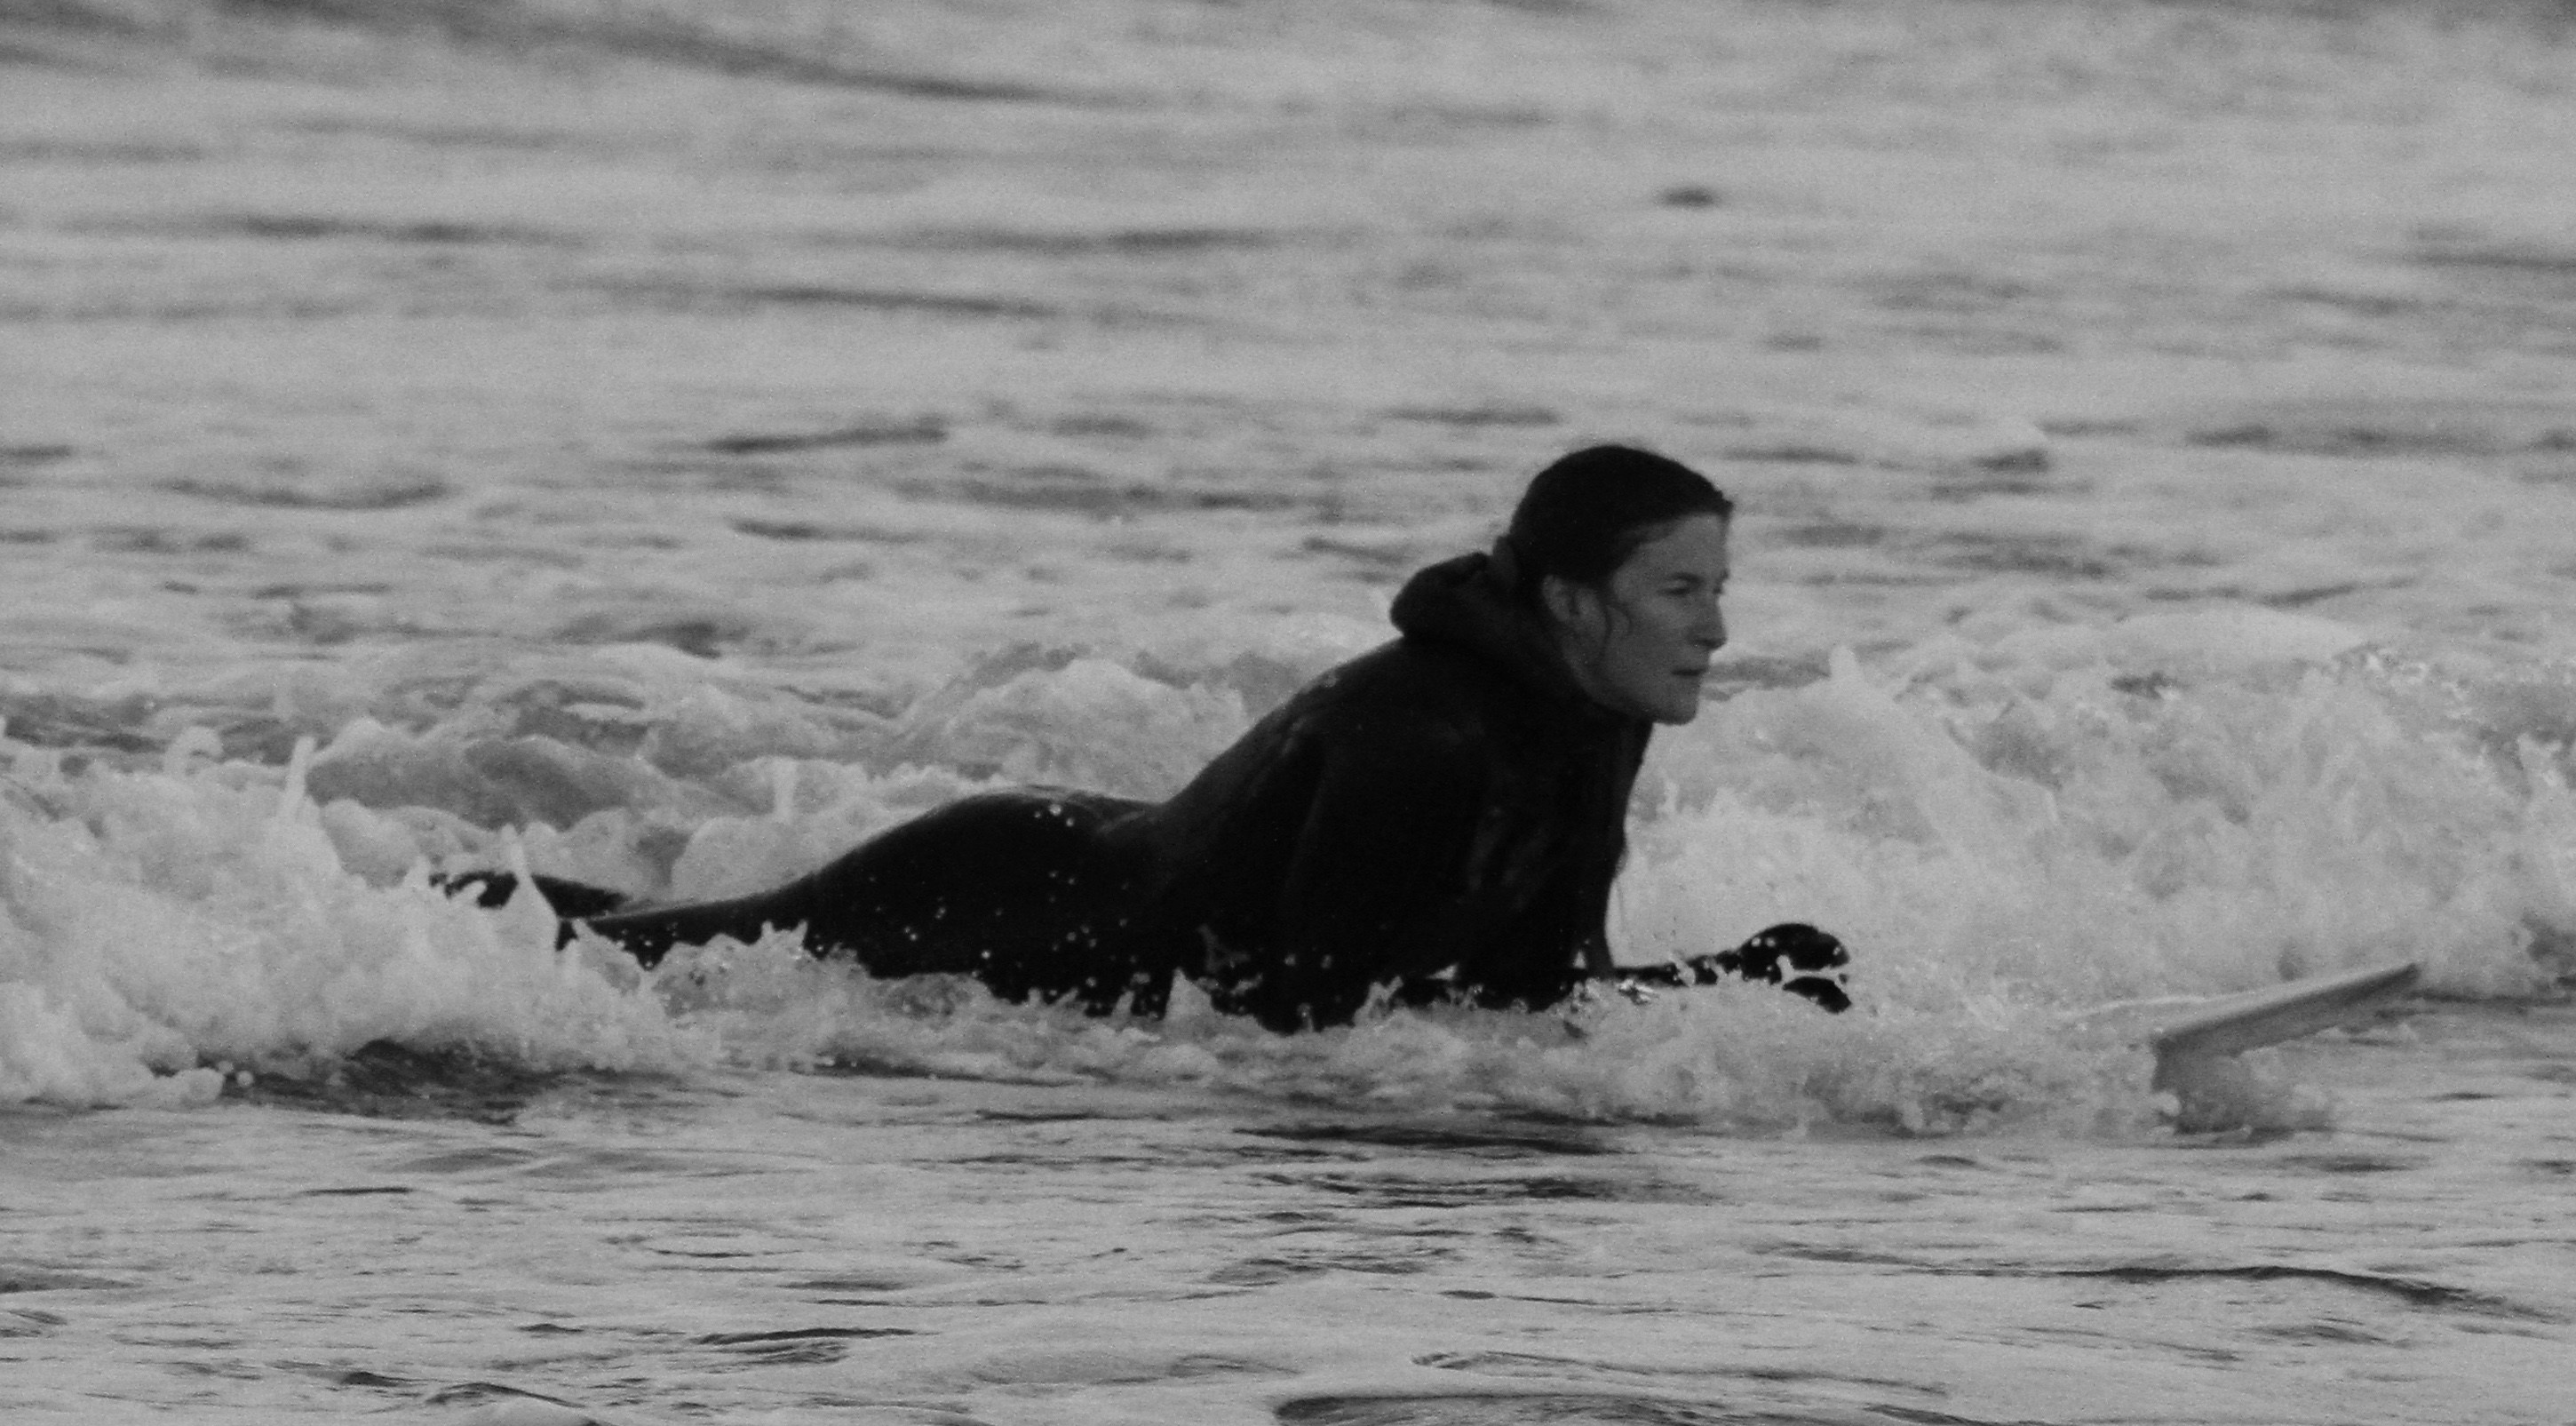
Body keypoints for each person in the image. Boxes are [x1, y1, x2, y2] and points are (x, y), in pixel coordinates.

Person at [461, 444, 1849, 1028]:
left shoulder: (1592, 715)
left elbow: (1534, 988)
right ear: (1570, 602)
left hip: (1090, 882)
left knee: (659, 941)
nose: (1717, 629)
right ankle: (401, 923)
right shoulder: (1421, 734)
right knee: (645, 965)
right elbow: (1292, 1018)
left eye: (1719, 589)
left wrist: (1726, 985)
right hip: (1002, 902)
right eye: (1682, 591)